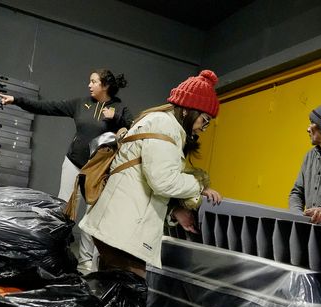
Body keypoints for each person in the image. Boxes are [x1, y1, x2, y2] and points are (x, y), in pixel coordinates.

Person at [78, 70, 222, 278]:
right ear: (188, 110)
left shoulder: (160, 122)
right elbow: (162, 181)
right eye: (204, 120)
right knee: (128, 296)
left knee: (111, 293)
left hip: (119, 226)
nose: (203, 128)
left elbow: (144, 179)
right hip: (123, 230)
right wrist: (199, 185)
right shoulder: (165, 126)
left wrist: (174, 211)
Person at [0, 69, 133, 274]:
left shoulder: (119, 108)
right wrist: (17, 100)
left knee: (92, 217)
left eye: (93, 81)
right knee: (64, 210)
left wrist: (117, 118)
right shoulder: (81, 103)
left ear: (104, 85)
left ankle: (87, 264)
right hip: (74, 163)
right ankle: (57, 255)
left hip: (98, 170)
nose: (89, 85)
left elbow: (134, 130)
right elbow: (48, 107)